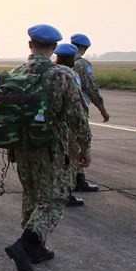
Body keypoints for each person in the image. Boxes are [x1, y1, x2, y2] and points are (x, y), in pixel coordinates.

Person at [2, 25, 91, 271]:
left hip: (21, 145)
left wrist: (11, 147)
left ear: (30, 45)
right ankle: (26, 242)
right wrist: (84, 147)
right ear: (53, 49)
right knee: (56, 196)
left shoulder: (14, 73)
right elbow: (77, 115)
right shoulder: (61, 75)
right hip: (52, 145)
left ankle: (36, 248)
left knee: (31, 192)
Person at [69, 33, 109, 194]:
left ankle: (76, 179)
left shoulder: (62, 61)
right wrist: (102, 108)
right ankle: (77, 180)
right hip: (79, 110)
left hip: (62, 112)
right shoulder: (82, 64)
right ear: (84, 48)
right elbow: (91, 87)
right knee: (78, 144)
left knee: (69, 145)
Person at [53, 43, 88, 208]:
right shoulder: (70, 75)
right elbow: (77, 108)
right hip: (66, 127)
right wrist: (85, 144)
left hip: (47, 128)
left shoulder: (48, 73)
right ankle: (66, 193)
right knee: (70, 160)